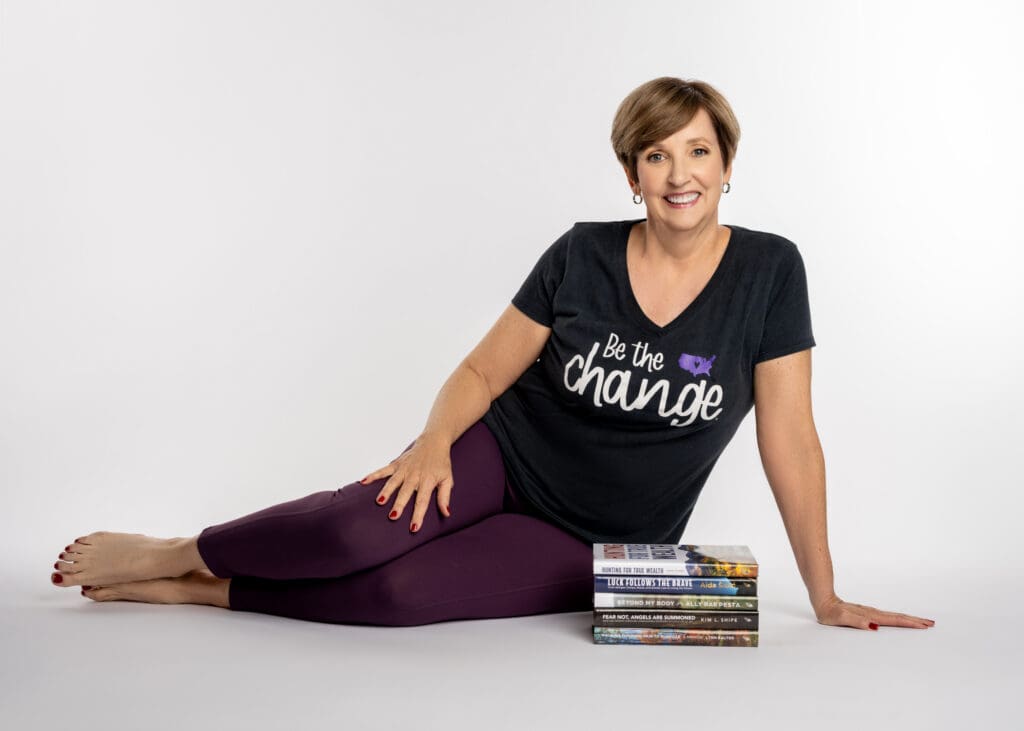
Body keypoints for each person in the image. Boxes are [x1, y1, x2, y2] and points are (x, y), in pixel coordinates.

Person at [49, 77, 934, 632]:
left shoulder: (771, 270)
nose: (678, 174)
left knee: (397, 596)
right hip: (501, 458)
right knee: (354, 528)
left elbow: (792, 438)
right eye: (655, 155)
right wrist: (433, 442)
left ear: (727, 161)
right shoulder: (583, 252)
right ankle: (176, 549)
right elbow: (481, 372)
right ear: (631, 174)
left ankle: (202, 592)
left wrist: (825, 593)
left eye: (698, 150)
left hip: (602, 538)